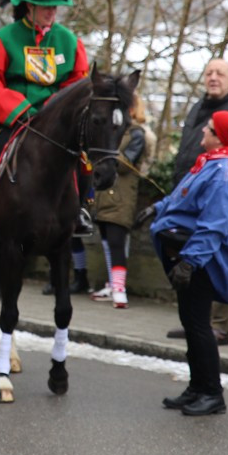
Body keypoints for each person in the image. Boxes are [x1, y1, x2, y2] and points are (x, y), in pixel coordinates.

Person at [0, 0, 90, 235]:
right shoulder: (3, 38)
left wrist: (55, 112)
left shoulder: (70, 41)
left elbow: (77, 83)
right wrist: (20, 111)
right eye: (45, 7)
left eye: (55, 7)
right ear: (29, 7)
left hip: (54, 116)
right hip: (4, 110)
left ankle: (81, 210)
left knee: (84, 155)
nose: (52, 12)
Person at [152, 111, 228, 416]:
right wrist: (156, 209)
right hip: (197, 256)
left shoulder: (225, 174)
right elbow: (183, 198)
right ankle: (197, 387)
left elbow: (213, 226)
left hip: (206, 260)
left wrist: (190, 263)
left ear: (221, 137)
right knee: (191, 322)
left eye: (209, 128)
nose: (203, 131)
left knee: (199, 325)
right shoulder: (213, 164)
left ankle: (212, 393)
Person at [165, 58, 228, 346]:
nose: (213, 77)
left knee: (218, 258)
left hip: (219, 197)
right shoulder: (200, 107)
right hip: (194, 193)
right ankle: (197, 320)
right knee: (198, 260)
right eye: (208, 72)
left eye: (220, 73)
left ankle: (220, 325)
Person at [89, 97, 157, 308]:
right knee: (108, 242)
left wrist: (105, 151)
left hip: (121, 196)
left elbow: (125, 164)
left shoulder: (136, 134)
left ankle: (120, 289)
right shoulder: (117, 131)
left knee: (118, 243)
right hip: (104, 195)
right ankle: (112, 284)